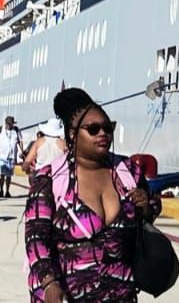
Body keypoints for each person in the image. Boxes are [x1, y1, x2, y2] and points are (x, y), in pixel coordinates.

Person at [24, 88, 158, 302]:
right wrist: (49, 284)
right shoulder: (49, 179)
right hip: (65, 296)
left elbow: (150, 212)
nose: (103, 133)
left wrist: (147, 208)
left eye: (108, 127)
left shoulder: (128, 171)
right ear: (72, 134)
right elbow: (35, 238)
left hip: (121, 294)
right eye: (93, 129)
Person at [0, 116, 24, 198]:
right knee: (1, 175)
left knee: (9, 176)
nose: (10, 126)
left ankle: (7, 191)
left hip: (11, 156)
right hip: (2, 155)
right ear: (6, 123)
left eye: (12, 124)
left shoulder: (16, 130)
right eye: (9, 124)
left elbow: (20, 141)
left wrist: (21, 151)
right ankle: (1, 190)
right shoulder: (0, 130)